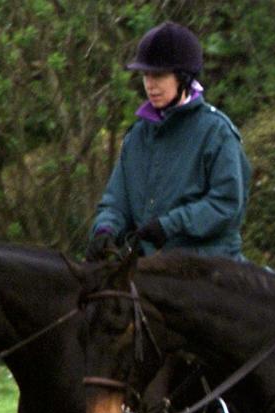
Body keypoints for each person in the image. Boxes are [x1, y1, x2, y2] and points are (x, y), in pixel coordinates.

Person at [87, 21, 251, 260]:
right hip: (150, 267)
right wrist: (105, 229)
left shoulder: (217, 132)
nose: (150, 84)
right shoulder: (137, 137)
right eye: (146, 75)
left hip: (208, 267)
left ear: (183, 78)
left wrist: (170, 225)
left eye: (159, 75)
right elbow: (116, 202)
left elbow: (226, 205)